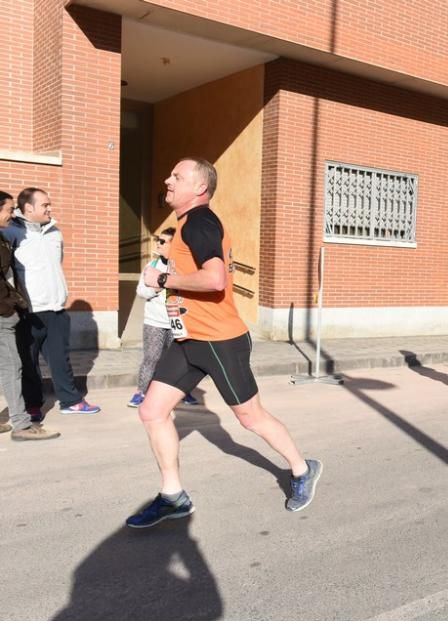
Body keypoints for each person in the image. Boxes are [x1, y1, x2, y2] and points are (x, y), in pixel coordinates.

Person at [127, 158, 321, 528]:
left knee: (250, 418)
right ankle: (173, 496)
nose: (167, 179)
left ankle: (301, 469)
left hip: (219, 340)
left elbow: (215, 280)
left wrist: (163, 279)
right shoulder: (189, 224)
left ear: (199, 188)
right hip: (187, 339)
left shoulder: (200, 221)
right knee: (152, 411)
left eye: (177, 176)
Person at [1, 188, 100, 419]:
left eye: (49, 204)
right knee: (28, 362)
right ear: (29, 208)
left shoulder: (55, 232)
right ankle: (33, 405)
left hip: (56, 308)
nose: (49, 209)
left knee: (60, 358)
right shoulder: (12, 233)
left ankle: (71, 401)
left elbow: (57, 265)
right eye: (44, 205)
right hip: (29, 311)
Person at [0, 192, 59, 441]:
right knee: (12, 366)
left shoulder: (3, 237)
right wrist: (12, 305)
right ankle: (22, 426)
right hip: (2, 314)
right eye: (9, 210)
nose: (12, 215)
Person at [128, 227, 197, 408]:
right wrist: (156, 287)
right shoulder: (151, 266)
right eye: (158, 240)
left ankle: (182, 392)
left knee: (180, 360)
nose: (158, 244)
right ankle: (141, 392)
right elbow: (141, 291)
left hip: (178, 322)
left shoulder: (184, 268)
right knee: (152, 357)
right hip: (154, 322)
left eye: (163, 241)